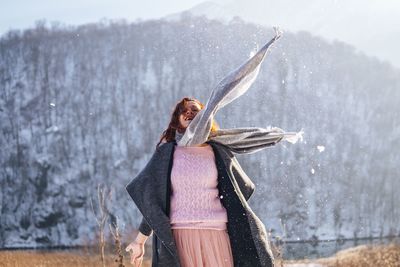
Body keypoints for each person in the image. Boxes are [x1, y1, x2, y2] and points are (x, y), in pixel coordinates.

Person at [125, 27, 303, 267]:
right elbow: (154, 201)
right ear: (176, 120)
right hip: (178, 239)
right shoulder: (167, 153)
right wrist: (140, 239)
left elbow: (239, 192)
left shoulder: (218, 150)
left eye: (195, 110)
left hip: (216, 235)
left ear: (205, 117)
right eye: (183, 111)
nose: (189, 113)